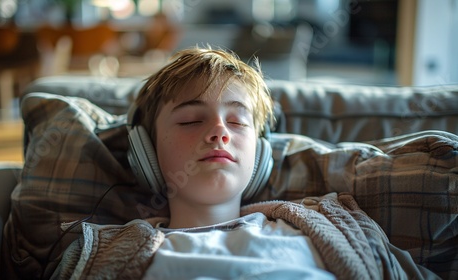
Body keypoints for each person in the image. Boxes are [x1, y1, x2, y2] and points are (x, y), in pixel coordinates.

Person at [52, 47, 438, 280]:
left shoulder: (336, 224)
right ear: (145, 152)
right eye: (190, 120)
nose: (219, 131)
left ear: (261, 153)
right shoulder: (97, 254)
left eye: (237, 121)